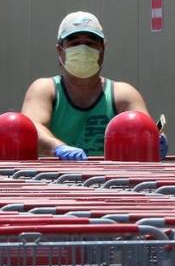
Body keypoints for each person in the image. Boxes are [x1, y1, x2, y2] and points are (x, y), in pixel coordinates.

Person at [21, 11, 166, 160]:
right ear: (60, 49)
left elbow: (143, 128)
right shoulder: (45, 90)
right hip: (53, 179)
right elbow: (31, 129)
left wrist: (152, 140)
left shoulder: (123, 95)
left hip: (111, 181)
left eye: (90, 43)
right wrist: (58, 148)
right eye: (74, 43)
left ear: (103, 48)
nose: (83, 49)